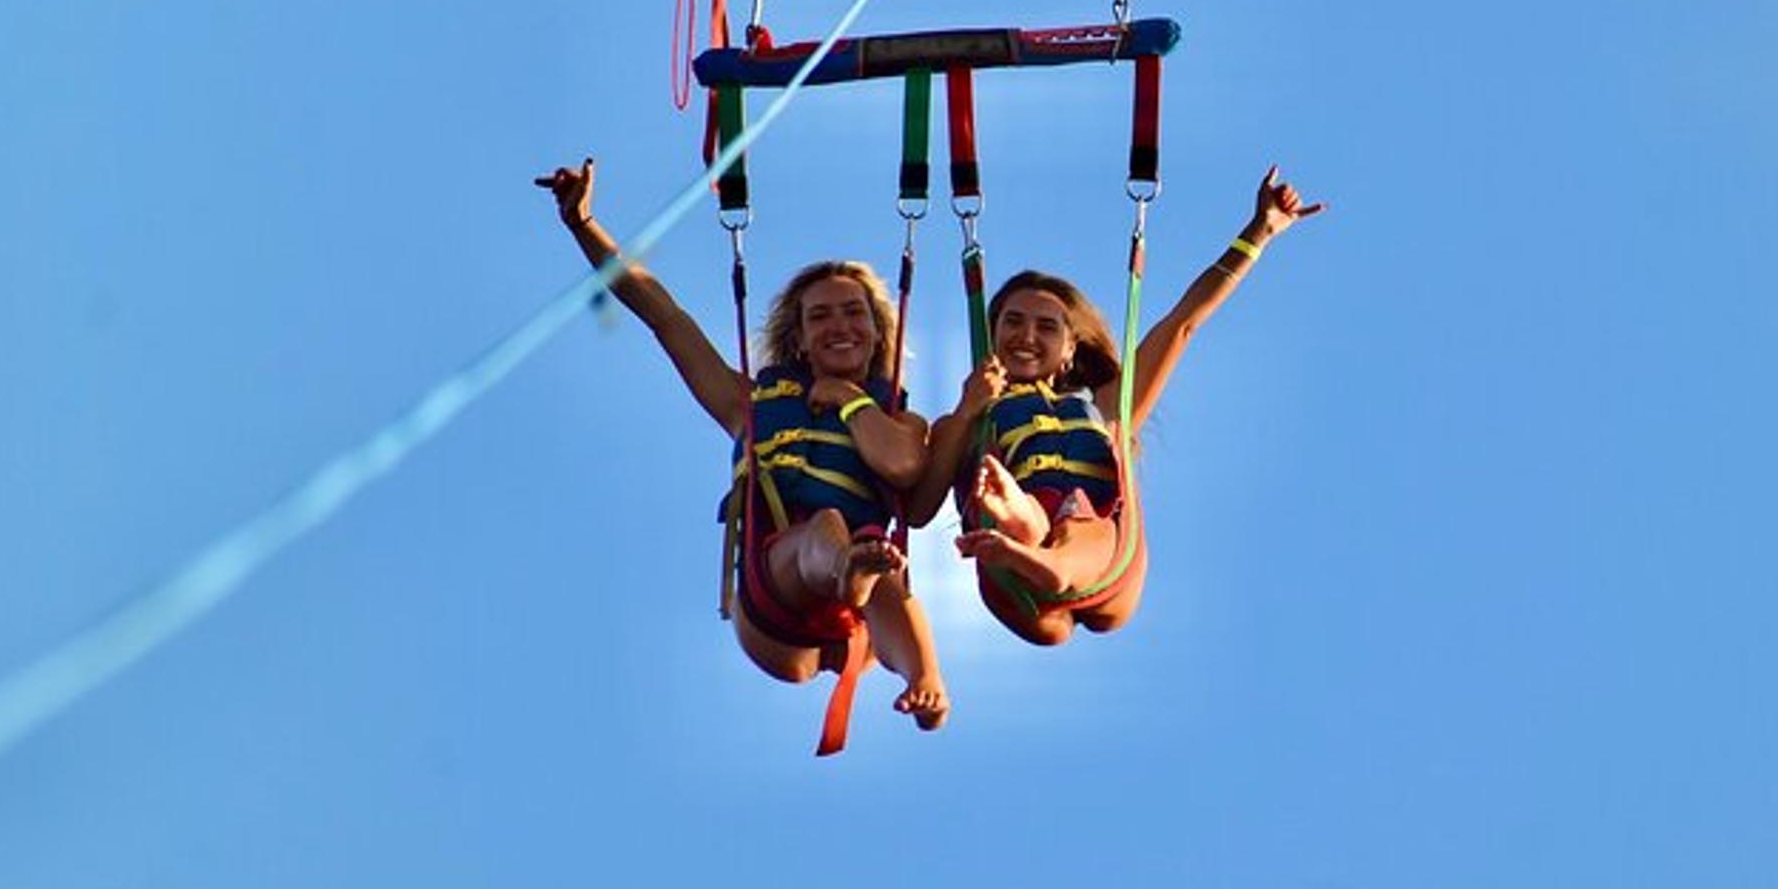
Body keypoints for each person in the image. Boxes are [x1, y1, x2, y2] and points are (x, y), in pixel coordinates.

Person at [535, 157, 948, 742]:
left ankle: (926, 676)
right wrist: (584, 223)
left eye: (854, 312)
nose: (839, 325)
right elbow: (662, 313)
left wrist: (849, 402)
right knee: (835, 532)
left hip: (865, 620)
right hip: (772, 602)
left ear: (878, 329)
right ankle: (848, 574)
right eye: (820, 316)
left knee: (878, 561)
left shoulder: (900, 418)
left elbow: (903, 465)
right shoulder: (746, 403)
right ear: (799, 338)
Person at [906, 167, 1322, 645]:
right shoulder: (969, 420)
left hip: (1103, 570)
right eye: (1013, 322)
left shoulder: (1107, 406)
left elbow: (1183, 322)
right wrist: (966, 410)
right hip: (1017, 592)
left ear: (1069, 351)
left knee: (1082, 517)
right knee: (1045, 548)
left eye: (1046, 327)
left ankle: (1042, 551)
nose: (1026, 335)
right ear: (993, 335)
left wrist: (1259, 232)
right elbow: (918, 510)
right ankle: (1023, 526)